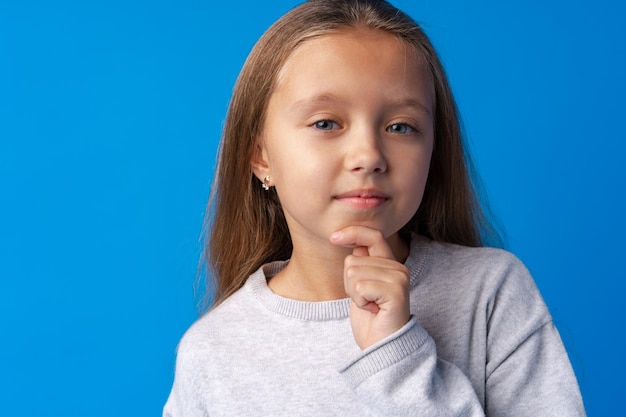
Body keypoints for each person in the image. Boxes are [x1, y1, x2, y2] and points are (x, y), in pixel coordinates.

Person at [163, 0, 586, 415]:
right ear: (261, 157)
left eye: (401, 126)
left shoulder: (491, 295)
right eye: (326, 123)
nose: (369, 155)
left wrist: (398, 360)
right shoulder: (213, 354)